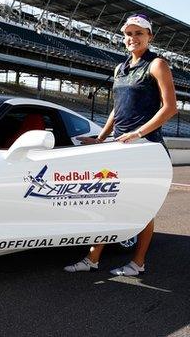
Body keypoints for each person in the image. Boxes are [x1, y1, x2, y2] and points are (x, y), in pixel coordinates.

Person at [64, 14, 178, 276]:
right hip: (120, 145)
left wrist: (138, 133)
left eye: (139, 33)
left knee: (143, 207)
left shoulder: (157, 64)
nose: (132, 38)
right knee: (108, 202)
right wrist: (102, 137)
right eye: (128, 34)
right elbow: (118, 108)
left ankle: (137, 263)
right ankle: (92, 259)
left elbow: (170, 108)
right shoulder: (120, 68)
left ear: (150, 36)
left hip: (145, 147)